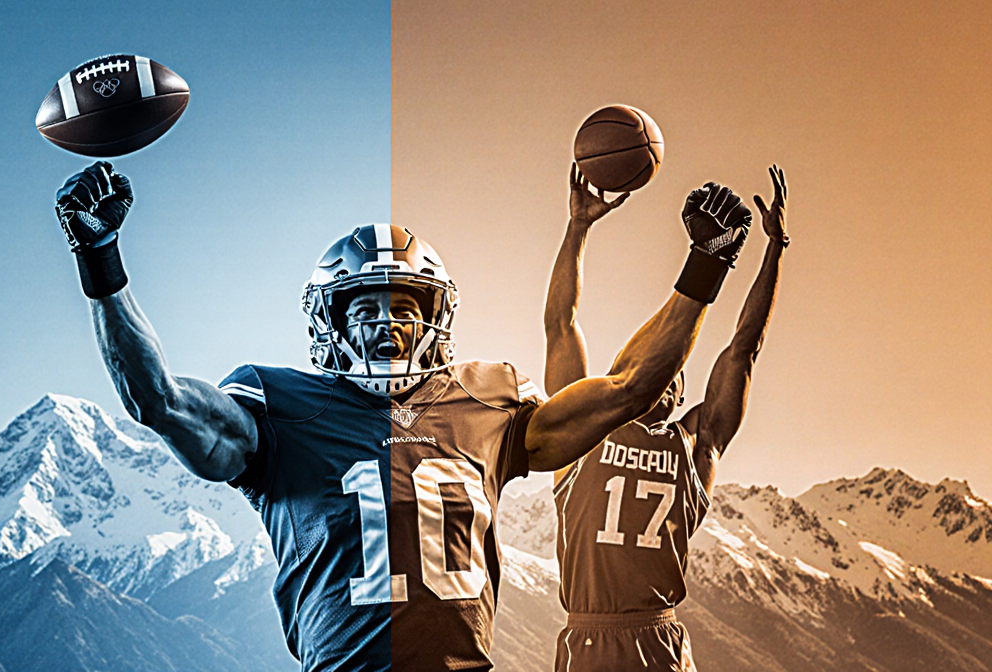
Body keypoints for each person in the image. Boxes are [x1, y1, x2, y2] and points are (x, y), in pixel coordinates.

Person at [50, 160, 752, 672]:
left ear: (435, 322)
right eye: (366, 308)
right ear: (332, 324)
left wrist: (705, 267)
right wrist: (101, 261)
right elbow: (158, 400)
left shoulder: (487, 400)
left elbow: (629, 389)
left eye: (405, 309)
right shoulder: (279, 407)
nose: (388, 324)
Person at [544, 165, 788, 672]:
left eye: (672, 371)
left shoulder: (699, 446)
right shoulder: (585, 428)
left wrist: (775, 249)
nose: (662, 376)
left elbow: (744, 349)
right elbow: (560, 323)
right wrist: (578, 226)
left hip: (659, 634)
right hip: (592, 635)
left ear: (680, 393)